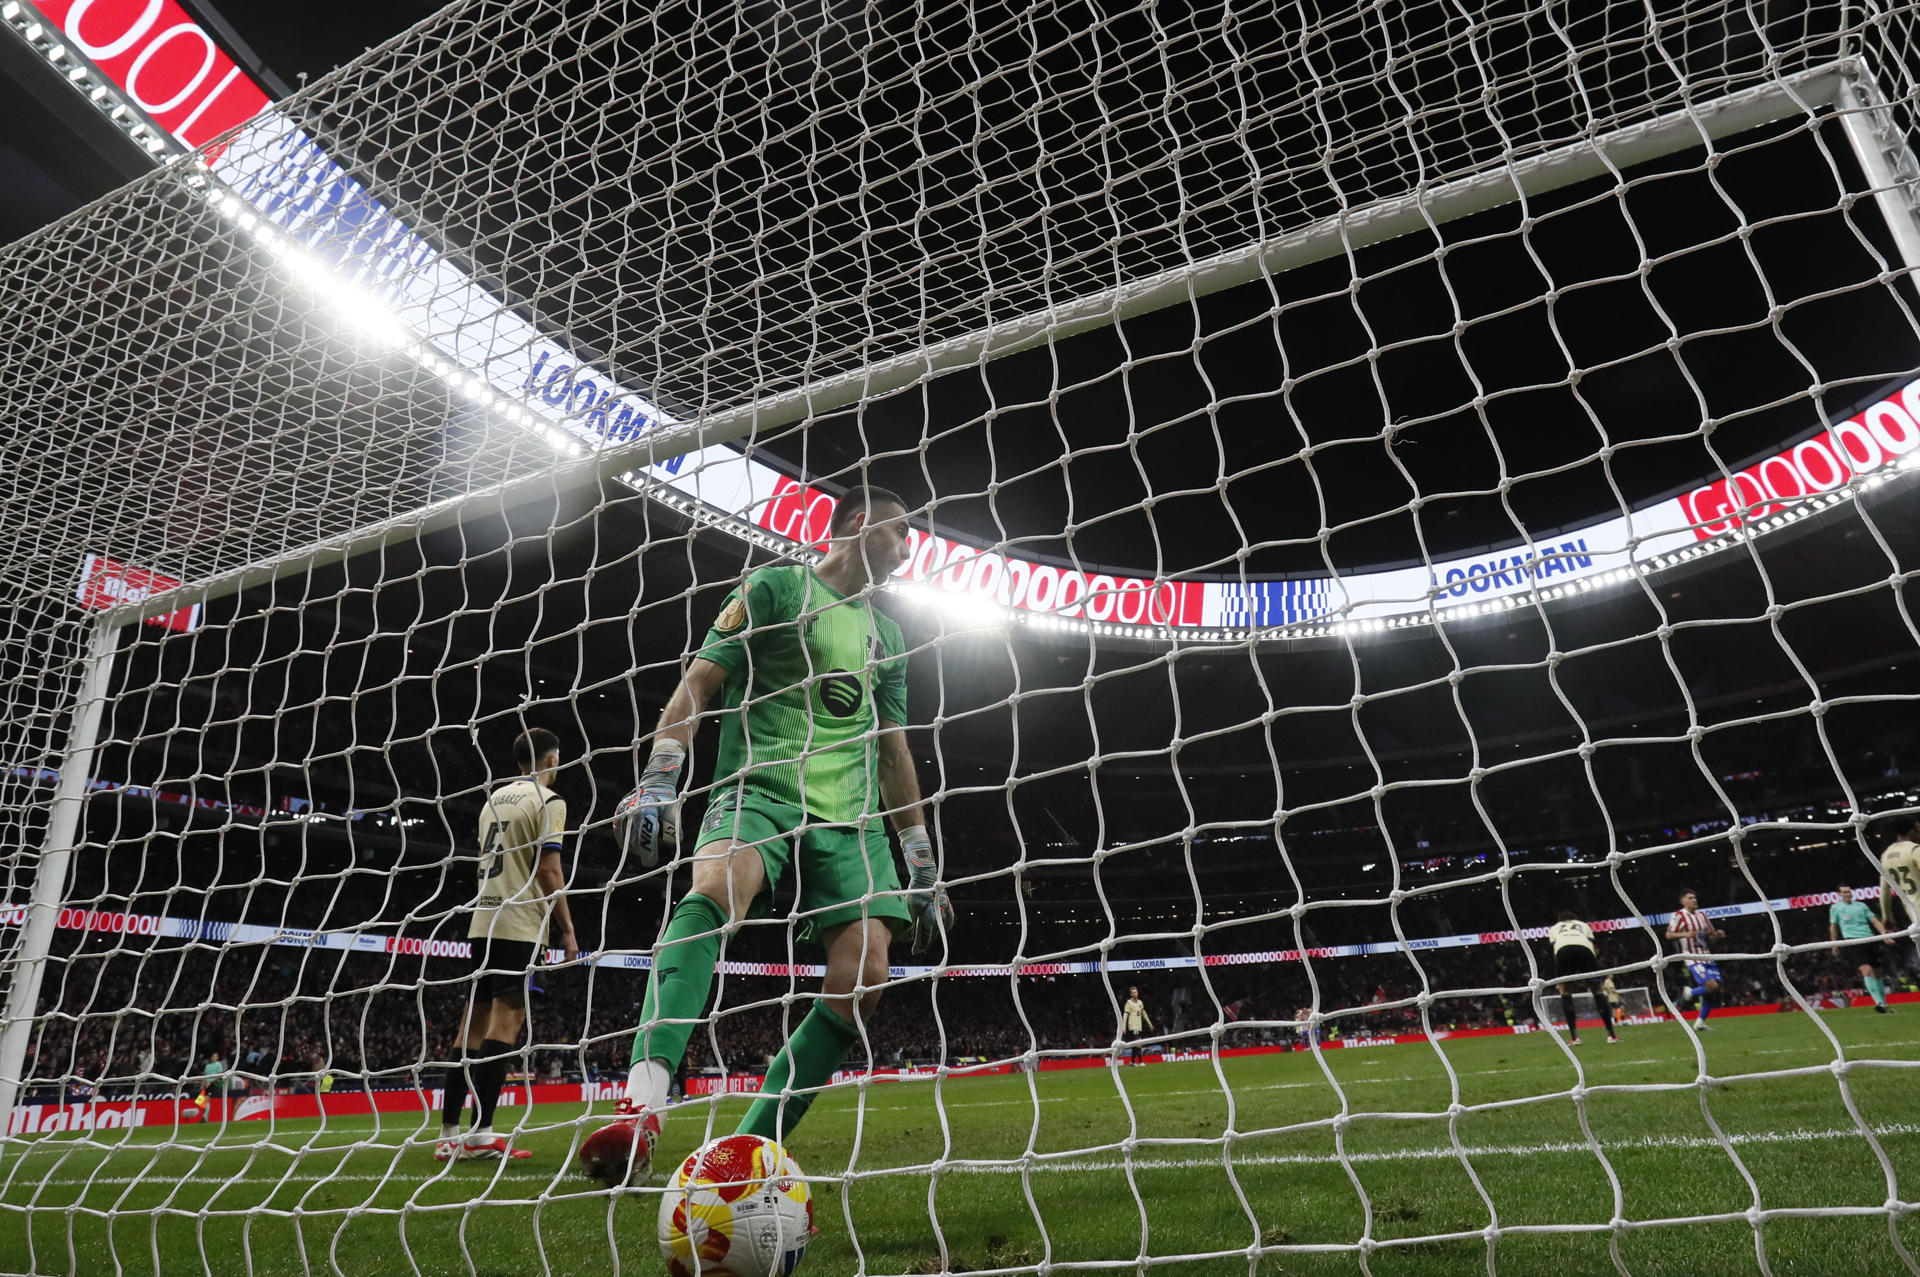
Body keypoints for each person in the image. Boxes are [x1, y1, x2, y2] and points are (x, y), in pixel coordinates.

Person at [579, 486, 950, 1188]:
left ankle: (746, 1152)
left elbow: (894, 750)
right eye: (903, 532)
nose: (909, 548)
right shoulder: (776, 586)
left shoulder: (890, 636)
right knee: (714, 890)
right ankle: (643, 1106)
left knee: (868, 972)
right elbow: (702, 680)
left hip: (850, 818)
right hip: (761, 789)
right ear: (861, 526)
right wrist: (663, 773)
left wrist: (921, 859)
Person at [435, 727, 578, 1162]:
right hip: (519, 923)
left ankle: (448, 1133)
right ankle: (482, 1134)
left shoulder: (493, 799)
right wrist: (567, 929)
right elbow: (549, 870)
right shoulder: (550, 801)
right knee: (505, 1024)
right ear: (552, 760)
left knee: (470, 1027)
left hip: (483, 921)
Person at [1547, 910, 1619, 1045]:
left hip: (1563, 951)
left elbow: (1554, 947)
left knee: (1565, 992)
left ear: (1560, 920)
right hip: (1585, 950)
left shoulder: (1554, 928)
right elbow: (1591, 943)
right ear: (1575, 918)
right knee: (1597, 991)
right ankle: (1611, 1035)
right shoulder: (1583, 925)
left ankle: (1575, 1038)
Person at [1829, 883, 1895, 1013]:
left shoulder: (1861, 906)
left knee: (1877, 972)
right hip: (1852, 941)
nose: (1848, 894)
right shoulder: (1835, 908)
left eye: (1849, 891)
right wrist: (1834, 943)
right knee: (1866, 970)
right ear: (1839, 894)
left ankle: (1884, 1004)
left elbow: (1875, 921)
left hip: (1869, 939)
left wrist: (1884, 935)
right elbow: (1833, 926)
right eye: (1844, 892)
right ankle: (1879, 1003)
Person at [1666, 889, 1724, 1030]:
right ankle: (1689, 993)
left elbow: (1710, 936)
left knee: (1714, 990)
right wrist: (1686, 934)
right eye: (1690, 898)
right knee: (1712, 986)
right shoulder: (1679, 915)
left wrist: (1718, 935)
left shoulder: (1702, 916)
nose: (1694, 900)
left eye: (1695, 897)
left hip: (1707, 956)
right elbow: (1669, 934)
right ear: (1683, 901)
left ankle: (1699, 1023)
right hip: (1692, 957)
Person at [1881, 821, 1920, 945]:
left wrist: (1887, 916)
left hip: (1914, 914)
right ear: (1912, 832)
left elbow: (1884, 891)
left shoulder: (1886, 855)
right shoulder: (1914, 850)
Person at [1121, 986, 1154, 1065]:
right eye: (1133, 993)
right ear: (1131, 994)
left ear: (1138, 993)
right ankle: (1141, 1061)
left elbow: (1144, 1014)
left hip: (1139, 1026)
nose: (1135, 994)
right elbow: (1125, 1015)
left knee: (1136, 1044)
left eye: (1136, 992)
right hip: (1133, 1026)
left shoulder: (1140, 1003)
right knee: (1138, 1043)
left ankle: (1132, 1062)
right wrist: (1123, 1027)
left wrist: (1150, 1024)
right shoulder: (1129, 1003)